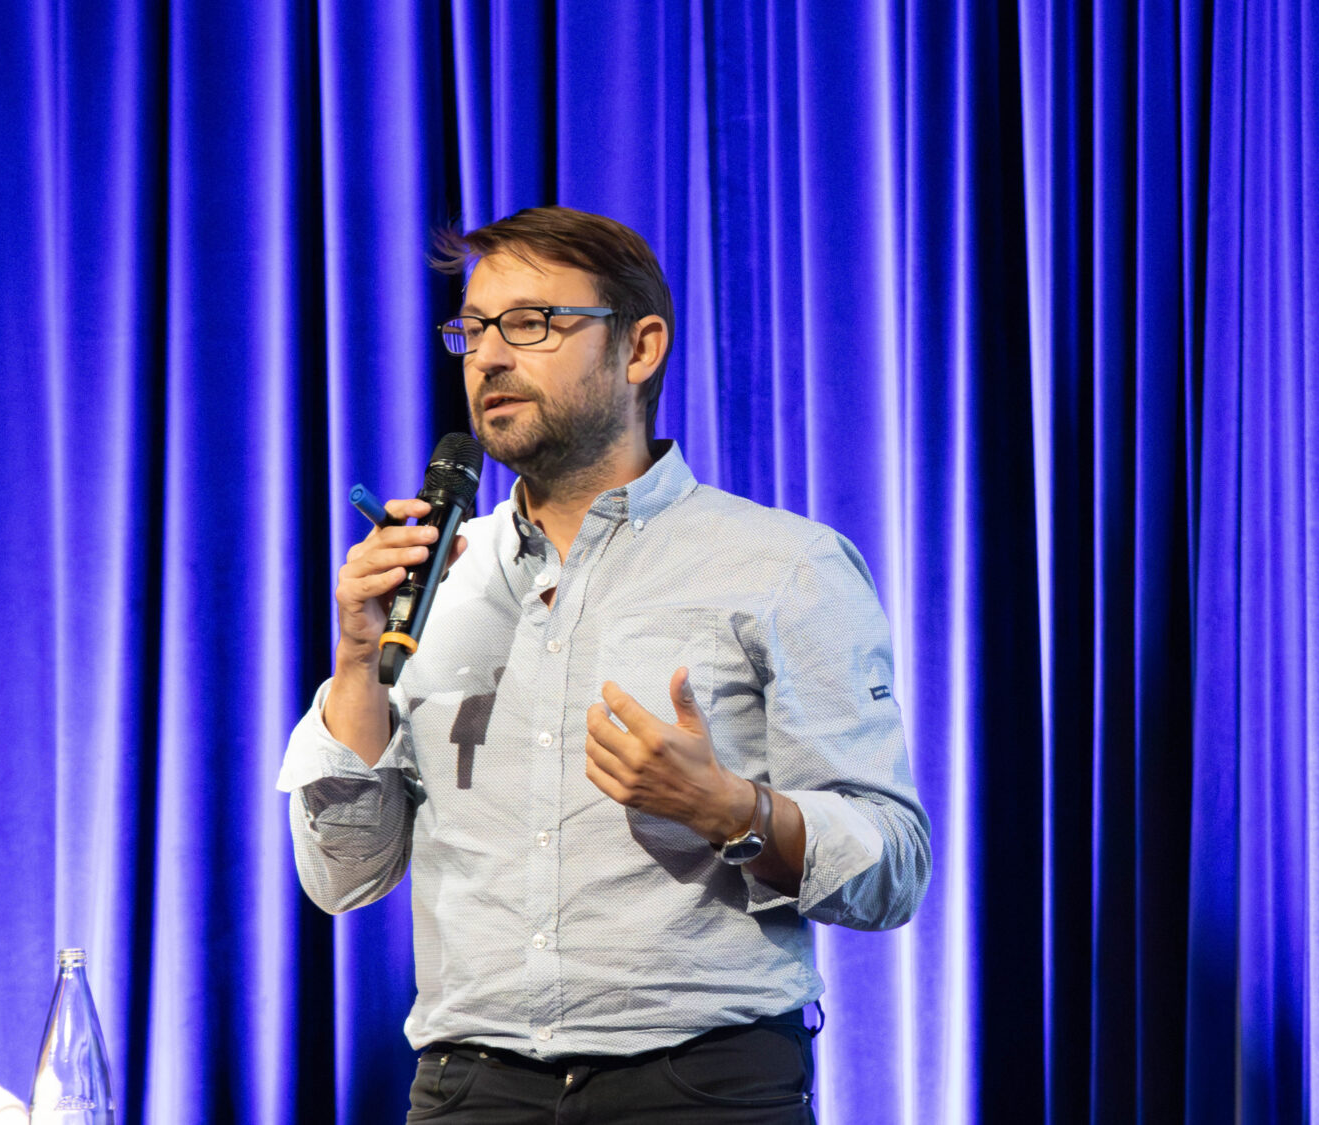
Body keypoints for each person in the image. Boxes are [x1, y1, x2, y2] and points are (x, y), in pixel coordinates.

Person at [274, 206, 930, 1123]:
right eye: (473, 329)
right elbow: (344, 875)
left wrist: (734, 811)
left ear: (640, 347)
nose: (489, 357)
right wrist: (353, 663)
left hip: (702, 1088)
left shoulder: (786, 565)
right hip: (469, 1089)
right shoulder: (436, 579)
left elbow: (894, 867)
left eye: (532, 323)